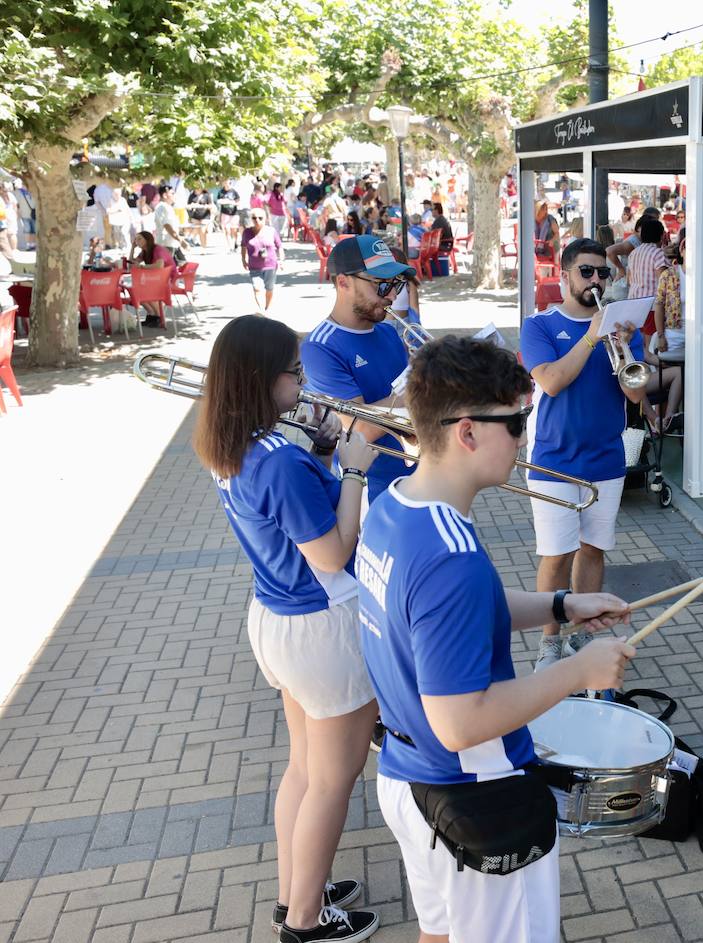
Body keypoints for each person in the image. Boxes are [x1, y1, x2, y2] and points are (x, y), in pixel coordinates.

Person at [357, 335, 635, 943]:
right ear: (466, 431)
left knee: (439, 932)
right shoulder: (448, 553)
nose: (523, 437)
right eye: (515, 422)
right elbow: (460, 721)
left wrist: (562, 604)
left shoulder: (392, 507)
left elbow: (448, 618)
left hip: (408, 778)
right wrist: (580, 673)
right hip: (472, 793)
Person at [192, 315, 379, 943]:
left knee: (304, 770)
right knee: (332, 779)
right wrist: (353, 467)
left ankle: (296, 892)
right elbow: (331, 552)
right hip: (319, 624)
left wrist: (322, 450)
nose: (304, 382)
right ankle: (304, 922)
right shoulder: (276, 461)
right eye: (294, 374)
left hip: (277, 616)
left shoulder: (236, 442)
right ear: (258, 379)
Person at [519, 238, 647, 671]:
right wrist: (593, 336)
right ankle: (549, 641)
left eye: (602, 273)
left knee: (593, 550)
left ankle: (580, 634)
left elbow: (635, 392)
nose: (596, 280)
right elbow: (552, 381)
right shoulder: (539, 326)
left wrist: (624, 346)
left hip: (606, 460)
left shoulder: (622, 329)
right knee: (556, 555)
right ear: (565, 275)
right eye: (587, 272)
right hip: (553, 461)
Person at [301, 234, 417, 503]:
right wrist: (426, 386)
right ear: (343, 282)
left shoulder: (389, 333)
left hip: (418, 477)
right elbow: (357, 429)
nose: (391, 295)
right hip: (371, 490)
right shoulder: (319, 347)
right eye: (381, 284)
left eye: (396, 284)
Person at [646, 232, 686, 434]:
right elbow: (659, 305)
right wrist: (661, 334)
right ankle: (665, 418)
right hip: (673, 332)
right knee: (670, 370)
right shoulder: (669, 275)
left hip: (698, 335)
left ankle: (674, 417)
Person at [130, 230, 177, 327]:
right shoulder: (144, 251)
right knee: (135, 291)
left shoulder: (157, 249)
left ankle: (159, 316)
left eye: (139, 239)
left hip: (168, 279)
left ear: (147, 240)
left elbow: (159, 266)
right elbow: (132, 263)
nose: (137, 241)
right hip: (156, 278)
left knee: (144, 290)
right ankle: (153, 315)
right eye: (136, 239)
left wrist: (142, 267)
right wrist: (132, 248)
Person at [242, 208, 284, 312]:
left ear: (265, 219)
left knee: (269, 289)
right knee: (257, 288)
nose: (257, 220)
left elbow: (280, 246)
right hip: (254, 266)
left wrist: (281, 260)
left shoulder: (271, 231)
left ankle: (267, 309)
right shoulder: (247, 232)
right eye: (254, 218)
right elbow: (243, 246)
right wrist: (243, 259)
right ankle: (261, 310)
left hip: (270, 265)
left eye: (260, 218)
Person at [625, 216, 667, 301]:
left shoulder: (633, 253)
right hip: (650, 305)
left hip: (632, 300)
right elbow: (663, 283)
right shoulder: (658, 253)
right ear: (662, 235)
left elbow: (628, 281)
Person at [153, 185, 188, 263]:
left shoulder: (167, 207)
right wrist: (180, 240)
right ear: (165, 195)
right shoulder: (162, 207)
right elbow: (167, 226)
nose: (174, 195)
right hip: (166, 244)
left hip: (172, 244)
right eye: (172, 193)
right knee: (170, 270)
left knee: (181, 267)